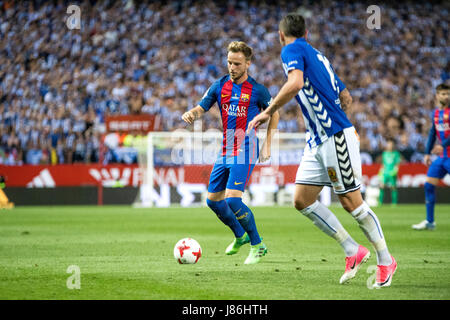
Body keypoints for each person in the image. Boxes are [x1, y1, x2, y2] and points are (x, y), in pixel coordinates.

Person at [247, 13, 397, 287]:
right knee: (302, 200)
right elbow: (346, 96)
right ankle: (353, 250)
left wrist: (268, 111)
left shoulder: (291, 49)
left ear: (282, 35)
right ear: (306, 32)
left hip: (334, 136)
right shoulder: (319, 56)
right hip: (316, 140)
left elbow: (295, 84)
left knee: (352, 203)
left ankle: (386, 260)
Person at [182, 41, 279, 264]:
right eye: (229, 62)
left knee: (233, 200)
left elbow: (274, 113)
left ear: (247, 64)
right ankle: (241, 235)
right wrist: (191, 114)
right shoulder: (219, 85)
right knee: (213, 201)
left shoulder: (258, 90)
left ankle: (258, 245)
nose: (232, 67)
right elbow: (202, 107)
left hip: (246, 147)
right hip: (226, 146)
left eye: (237, 63)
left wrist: (267, 144)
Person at [412, 83, 450, 230]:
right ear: (437, 95)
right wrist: (427, 153)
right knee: (428, 185)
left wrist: (443, 144)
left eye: (448, 94)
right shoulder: (436, 113)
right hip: (442, 158)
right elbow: (432, 134)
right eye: (443, 94)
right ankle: (430, 221)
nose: (446, 97)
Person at [378, 139, 401, 206]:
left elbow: (397, 164)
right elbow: (383, 164)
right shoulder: (384, 153)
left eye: (391, 144)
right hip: (385, 173)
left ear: (393, 145)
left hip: (392, 173)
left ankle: (394, 203)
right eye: (388, 144)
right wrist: (380, 172)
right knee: (382, 187)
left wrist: (395, 171)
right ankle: (380, 202)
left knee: (393, 187)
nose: (389, 145)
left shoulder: (396, 153)